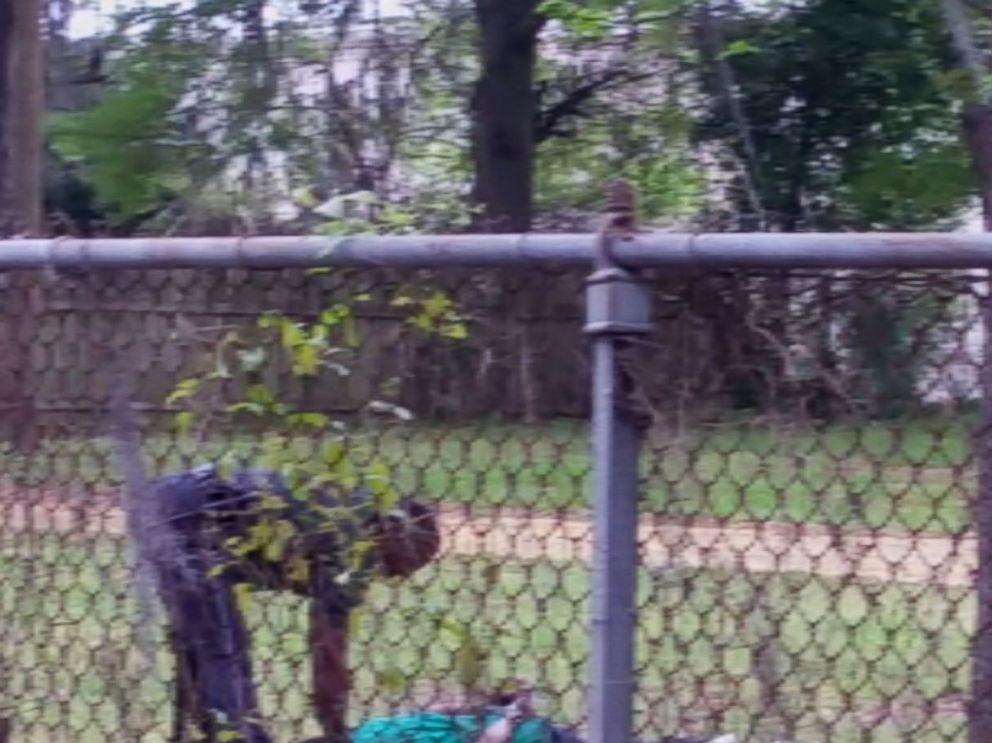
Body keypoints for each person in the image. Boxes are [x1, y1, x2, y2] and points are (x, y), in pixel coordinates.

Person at [150, 464, 440, 743]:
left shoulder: (350, 509)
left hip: (172, 500)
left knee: (205, 646)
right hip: (192, 513)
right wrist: (337, 733)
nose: (395, 577)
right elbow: (327, 655)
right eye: (404, 564)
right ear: (393, 533)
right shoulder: (355, 545)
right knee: (222, 652)